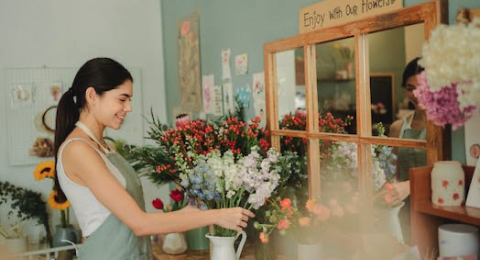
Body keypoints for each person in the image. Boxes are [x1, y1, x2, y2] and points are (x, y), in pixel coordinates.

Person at [53, 57, 254, 259]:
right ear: (92, 95)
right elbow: (141, 224)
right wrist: (218, 216)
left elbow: (140, 222)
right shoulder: (78, 150)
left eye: (129, 100)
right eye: (122, 99)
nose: (128, 107)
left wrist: (194, 207)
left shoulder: (106, 147)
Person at [386, 57, 426, 245]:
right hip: (402, 211)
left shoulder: (446, 128)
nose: (416, 94)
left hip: (433, 209)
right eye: (410, 88)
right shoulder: (397, 128)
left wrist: (409, 186)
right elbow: (392, 172)